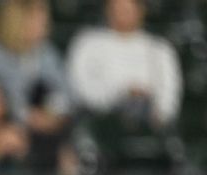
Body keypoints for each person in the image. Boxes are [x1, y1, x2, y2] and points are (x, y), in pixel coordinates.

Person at [0, 0, 73, 173]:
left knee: (67, 147)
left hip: (43, 133)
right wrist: (27, 116)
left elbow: (66, 95)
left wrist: (54, 115)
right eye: (38, 19)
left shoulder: (46, 53)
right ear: (17, 20)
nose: (45, 26)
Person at [66, 0, 181, 130]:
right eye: (116, 7)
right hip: (98, 125)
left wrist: (156, 112)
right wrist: (121, 94)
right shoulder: (87, 42)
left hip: (146, 128)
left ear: (141, 10)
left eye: (127, 8)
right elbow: (80, 89)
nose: (120, 13)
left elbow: (168, 96)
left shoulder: (159, 48)